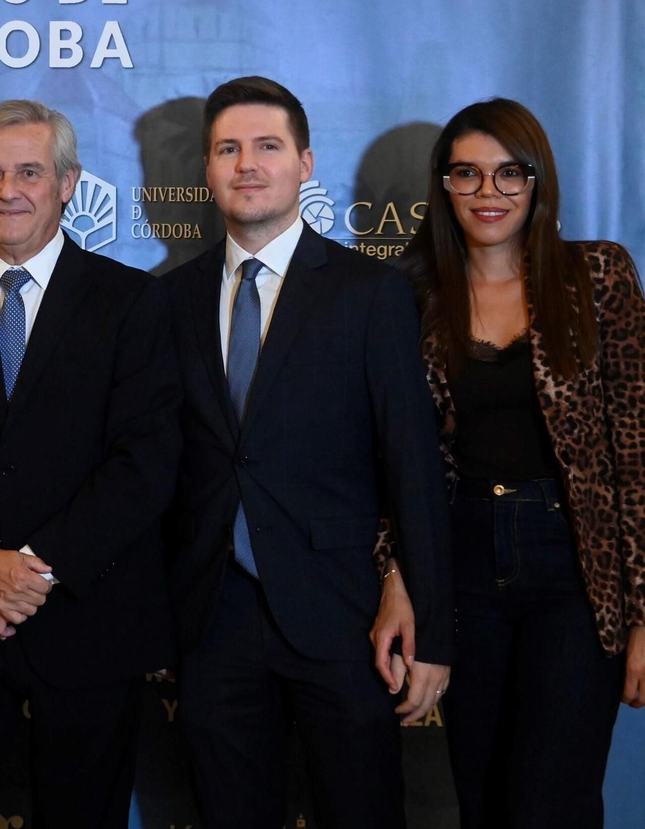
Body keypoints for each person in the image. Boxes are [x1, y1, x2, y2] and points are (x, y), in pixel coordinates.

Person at [0, 99, 180, 829]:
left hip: (86, 617)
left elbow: (144, 463)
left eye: (28, 171)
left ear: (69, 182)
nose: (7, 189)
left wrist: (28, 571)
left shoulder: (133, 302)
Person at [164, 76, 453, 829]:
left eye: (267, 146)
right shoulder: (171, 300)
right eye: (228, 148)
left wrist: (429, 617)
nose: (247, 164)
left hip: (344, 614)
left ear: (306, 162)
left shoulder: (370, 292)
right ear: (207, 170)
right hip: (212, 615)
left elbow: (412, 464)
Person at [392, 98, 645, 828]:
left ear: (538, 181)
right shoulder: (408, 295)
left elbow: (641, 453)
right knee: (483, 797)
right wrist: (394, 575)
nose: (489, 193)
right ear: (444, 186)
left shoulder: (600, 277)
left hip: (573, 569)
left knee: (551, 799)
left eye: (508, 173)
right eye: (468, 174)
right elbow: (391, 458)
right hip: (460, 566)